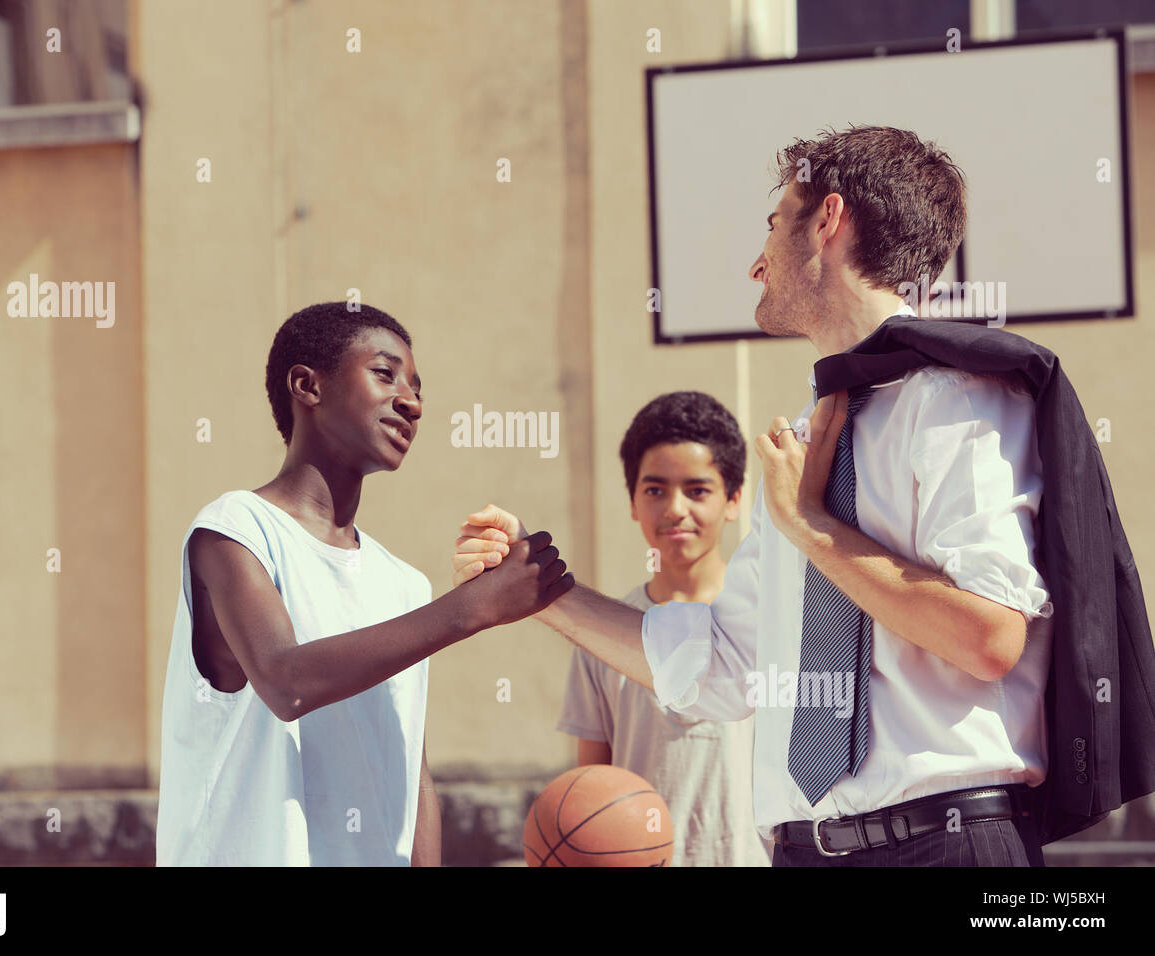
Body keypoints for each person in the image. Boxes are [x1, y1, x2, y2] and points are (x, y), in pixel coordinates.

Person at [454, 126, 1062, 866]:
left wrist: (812, 530)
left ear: (828, 221)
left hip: (942, 845)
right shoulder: (808, 443)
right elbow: (721, 667)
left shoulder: (956, 402)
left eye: (774, 227)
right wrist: (540, 589)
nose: (756, 263)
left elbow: (989, 637)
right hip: (806, 850)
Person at [157, 302, 573, 866]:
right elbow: (285, 683)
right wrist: (471, 608)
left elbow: (412, 770)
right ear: (307, 386)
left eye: (418, 387)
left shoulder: (402, 583)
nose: (412, 401)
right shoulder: (234, 529)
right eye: (385, 374)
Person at [556, 391, 771, 866]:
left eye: (697, 490)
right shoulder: (604, 635)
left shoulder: (769, 625)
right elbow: (592, 785)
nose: (675, 509)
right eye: (655, 490)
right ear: (633, 501)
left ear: (734, 499)